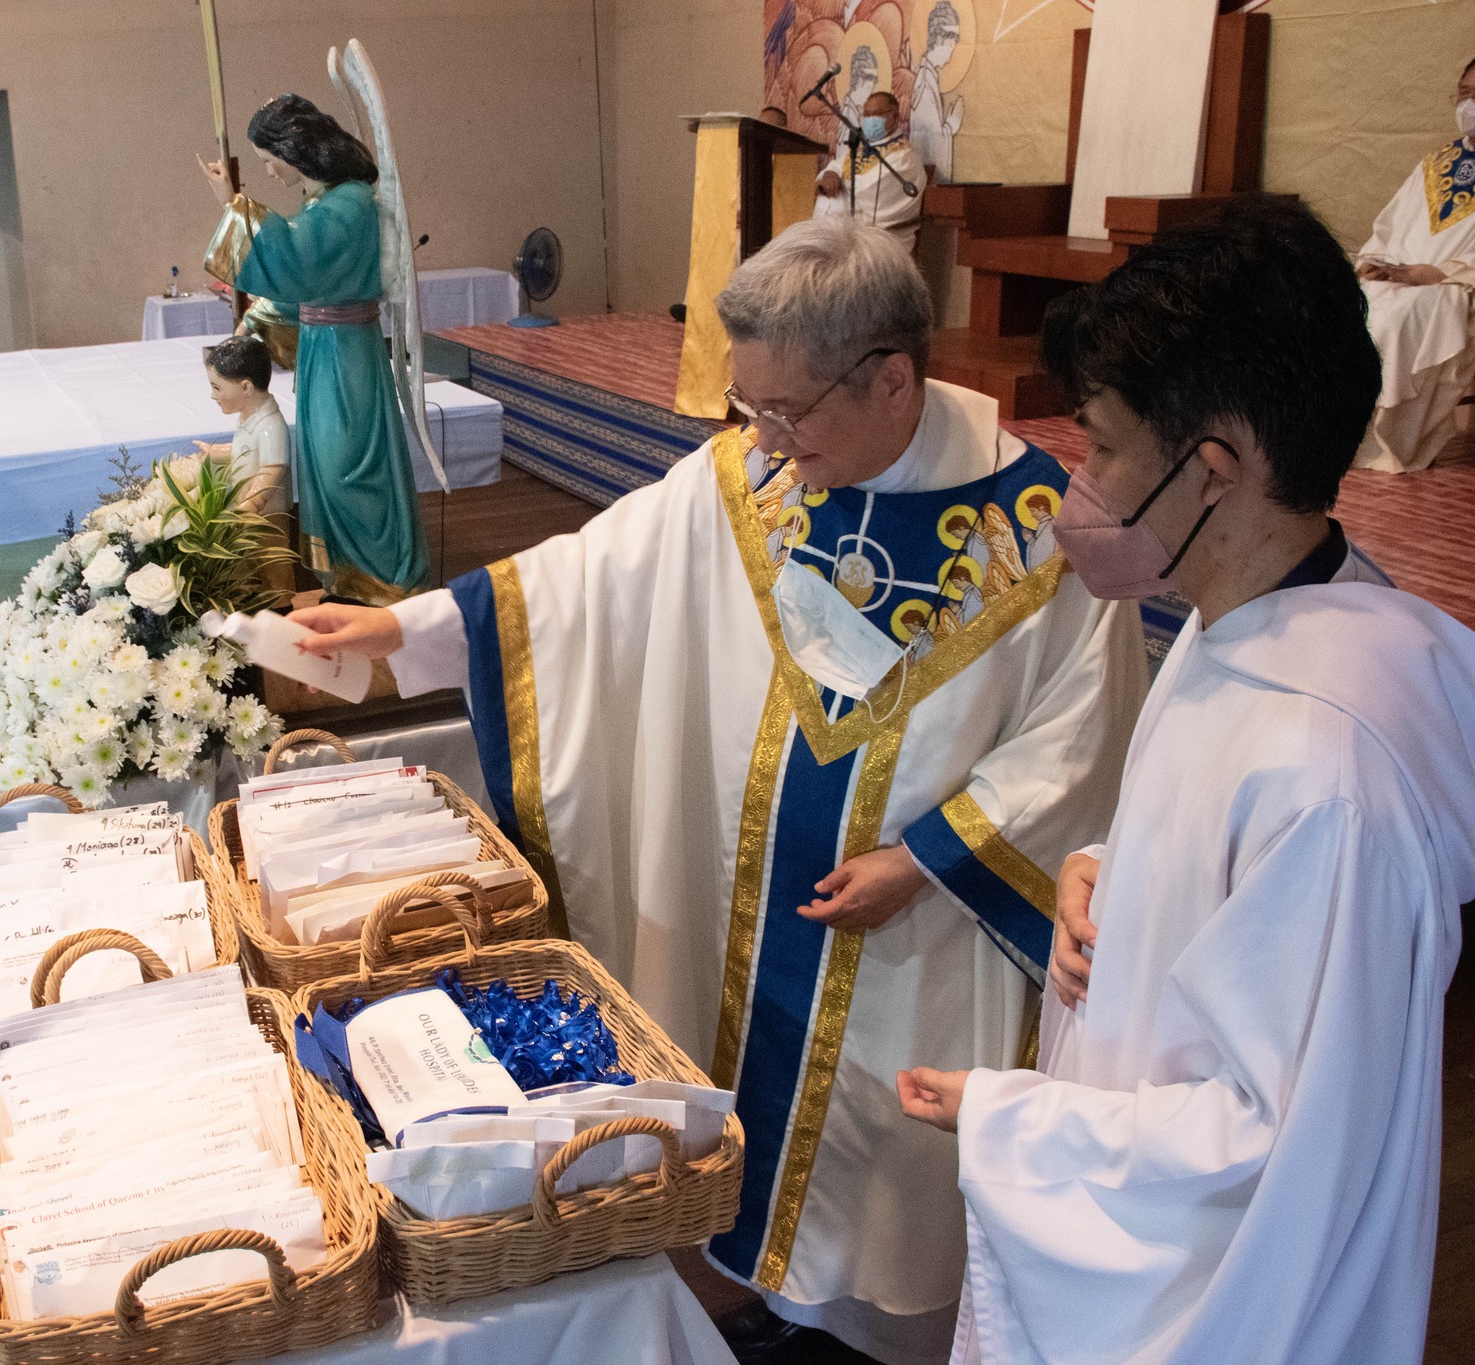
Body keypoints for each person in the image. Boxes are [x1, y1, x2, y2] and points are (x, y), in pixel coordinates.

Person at [291, 217, 1149, 1365]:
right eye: (750, 410)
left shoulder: (1038, 534)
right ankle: (768, 1301)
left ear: (891, 378)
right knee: (750, 1119)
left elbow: (1080, 736)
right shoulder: (756, 472)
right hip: (748, 908)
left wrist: (925, 858)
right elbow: (581, 583)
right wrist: (400, 628)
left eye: (787, 410)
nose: (766, 441)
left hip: (923, 934)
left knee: (892, 1179)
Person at [896, 197, 1474, 1365]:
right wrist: (1102, 875)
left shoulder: (1325, 769)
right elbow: (1209, 859)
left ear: (1214, 468)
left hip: (1226, 1297)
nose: (1081, 484)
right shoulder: (1262, 615)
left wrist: (1005, 1115)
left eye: (1103, 446)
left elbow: (1274, 1149)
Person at [201, 93, 429, 604]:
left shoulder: (348, 205)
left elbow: (298, 262)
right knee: (328, 464)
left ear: (297, 149)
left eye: (269, 160)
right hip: (325, 350)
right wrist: (257, 317)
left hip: (346, 357)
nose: (270, 172)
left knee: (349, 467)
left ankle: (381, 580)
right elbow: (306, 288)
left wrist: (232, 205)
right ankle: (347, 576)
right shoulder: (325, 203)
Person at [1350, 56, 1475, 472]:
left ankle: (1381, 442)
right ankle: (1324, 429)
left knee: (1394, 319)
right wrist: (1376, 262)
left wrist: (1435, 274)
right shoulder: (1436, 164)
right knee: (1347, 304)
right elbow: (1389, 228)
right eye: (1464, 94)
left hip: (1457, 288)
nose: (1468, 105)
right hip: (1404, 279)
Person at [195, 334, 296, 598]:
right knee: (252, 567)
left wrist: (251, 505)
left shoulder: (270, 425)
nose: (212, 396)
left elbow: (272, 469)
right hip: (248, 515)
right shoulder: (249, 418)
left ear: (246, 388)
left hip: (267, 516)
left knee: (273, 567)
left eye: (217, 388)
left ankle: (281, 611)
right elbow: (246, 452)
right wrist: (215, 453)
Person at [814, 92, 930, 252]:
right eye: (866, 114)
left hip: (881, 241)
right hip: (846, 235)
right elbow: (838, 165)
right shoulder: (864, 148)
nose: (869, 120)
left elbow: (865, 192)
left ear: (895, 117)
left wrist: (836, 185)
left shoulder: (903, 158)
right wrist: (830, 175)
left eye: (876, 114)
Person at [909, 0, 965, 183]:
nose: (950, 54)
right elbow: (931, 142)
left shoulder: (929, 76)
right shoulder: (925, 83)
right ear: (940, 40)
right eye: (950, 46)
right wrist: (951, 126)